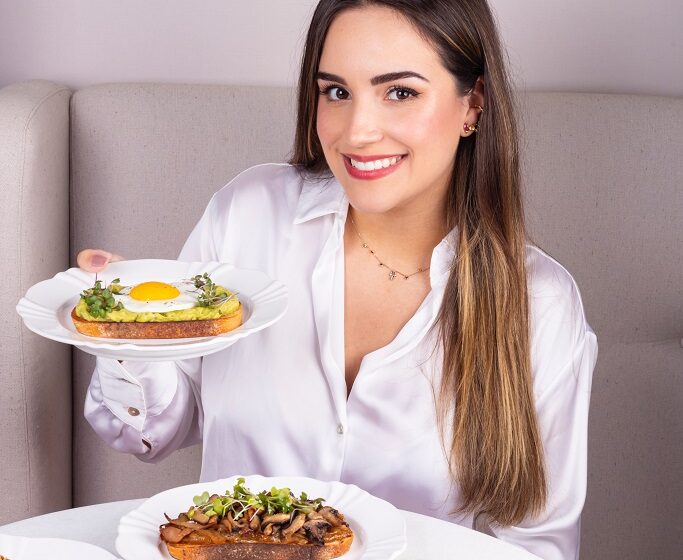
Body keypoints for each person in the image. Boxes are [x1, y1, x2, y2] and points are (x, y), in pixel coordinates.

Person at [79, 1, 597, 558]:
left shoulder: (539, 303)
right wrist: (129, 331)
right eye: (336, 92)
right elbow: (153, 432)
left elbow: (537, 547)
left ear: (473, 103)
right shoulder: (250, 213)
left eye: (400, 92)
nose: (358, 131)